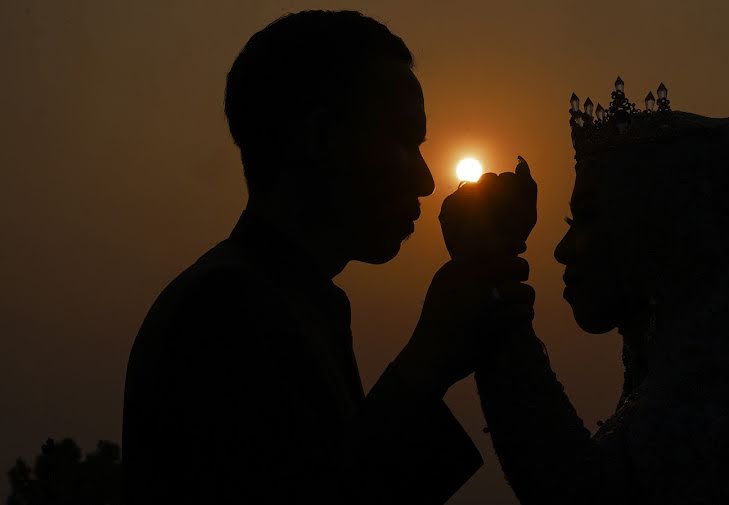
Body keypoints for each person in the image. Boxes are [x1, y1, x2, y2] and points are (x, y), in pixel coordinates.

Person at [122, 11, 531, 504]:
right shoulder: (225, 308)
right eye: (403, 141)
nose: (424, 181)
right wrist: (428, 358)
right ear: (321, 140)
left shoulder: (294, 299)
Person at [445, 111, 729, 503]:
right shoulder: (715, 377)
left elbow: (576, 491)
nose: (562, 250)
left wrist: (490, 270)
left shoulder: (719, 397)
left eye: (588, 217)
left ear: (669, 233)